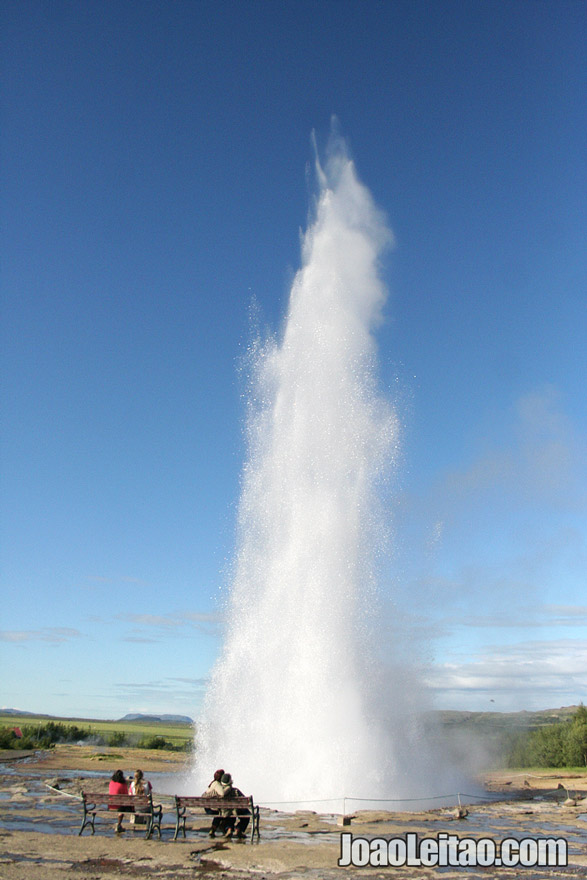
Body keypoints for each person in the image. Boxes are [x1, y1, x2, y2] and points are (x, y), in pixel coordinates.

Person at [220, 773, 250, 840]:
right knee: (246, 815)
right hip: (236, 811)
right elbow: (245, 801)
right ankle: (239, 829)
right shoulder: (235, 791)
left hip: (225, 811)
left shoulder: (219, 792)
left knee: (230, 814)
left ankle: (229, 829)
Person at [202, 768, 231, 837]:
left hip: (208, 806)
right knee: (223, 813)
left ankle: (214, 829)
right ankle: (220, 828)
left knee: (221, 813)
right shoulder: (216, 784)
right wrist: (229, 787)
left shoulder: (214, 783)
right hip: (209, 809)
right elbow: (222, 793)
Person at [109, 769, 128, 833]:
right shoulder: (123, 784)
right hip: (119, 806)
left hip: (111, 805)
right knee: (122, 806)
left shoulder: (111, 783)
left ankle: (119, 825)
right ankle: (119, 825)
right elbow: (126, 795)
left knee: (121, 805)